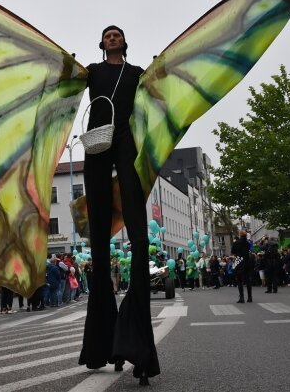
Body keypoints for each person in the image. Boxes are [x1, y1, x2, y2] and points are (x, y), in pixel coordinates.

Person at [78, 25, 159, 386]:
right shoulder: (93, 72)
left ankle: (138, 345)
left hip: (124, 139)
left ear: (125, 42)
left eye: (117, 35)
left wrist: (163, 70)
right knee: (98, 242)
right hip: (96, 143)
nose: (112, 38)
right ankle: (104, 342)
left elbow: (158, 93)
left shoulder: (136, 73)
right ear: (102, 43)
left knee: (139, 238)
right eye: (107, 35)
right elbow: (62, 83)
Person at [231, 231, 253, 303]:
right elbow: (249, 250)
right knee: (248, 280)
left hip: (239, 261)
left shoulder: (236, 242)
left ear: (240, 235)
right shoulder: (247, 243)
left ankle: (242, 297)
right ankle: (249, 297)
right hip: (247, 261)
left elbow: (233, 251)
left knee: (239, 280)